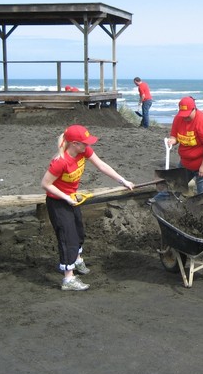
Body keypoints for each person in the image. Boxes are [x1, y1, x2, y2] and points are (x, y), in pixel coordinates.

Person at [41, 124, 135, 291]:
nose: (87, 145)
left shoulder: (84, 151)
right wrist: (65, 197)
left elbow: (102, 166)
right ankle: (68, 279)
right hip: (58, 202)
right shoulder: (60, 162)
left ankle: (76, 260)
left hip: (72, 199)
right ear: (74, 143)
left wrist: (123, 181)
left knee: (78, 232)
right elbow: (45, 184)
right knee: (67, 237)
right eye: (84, 142)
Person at [166, 96, 203, 198]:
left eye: (187, 114)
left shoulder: (202, 121)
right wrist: (172, 141)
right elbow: (175, 136)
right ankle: (167, 203)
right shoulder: (178, 119)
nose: (185, 117)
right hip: (187, 160)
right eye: (183, 114)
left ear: (194, 109)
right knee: (175, 184)